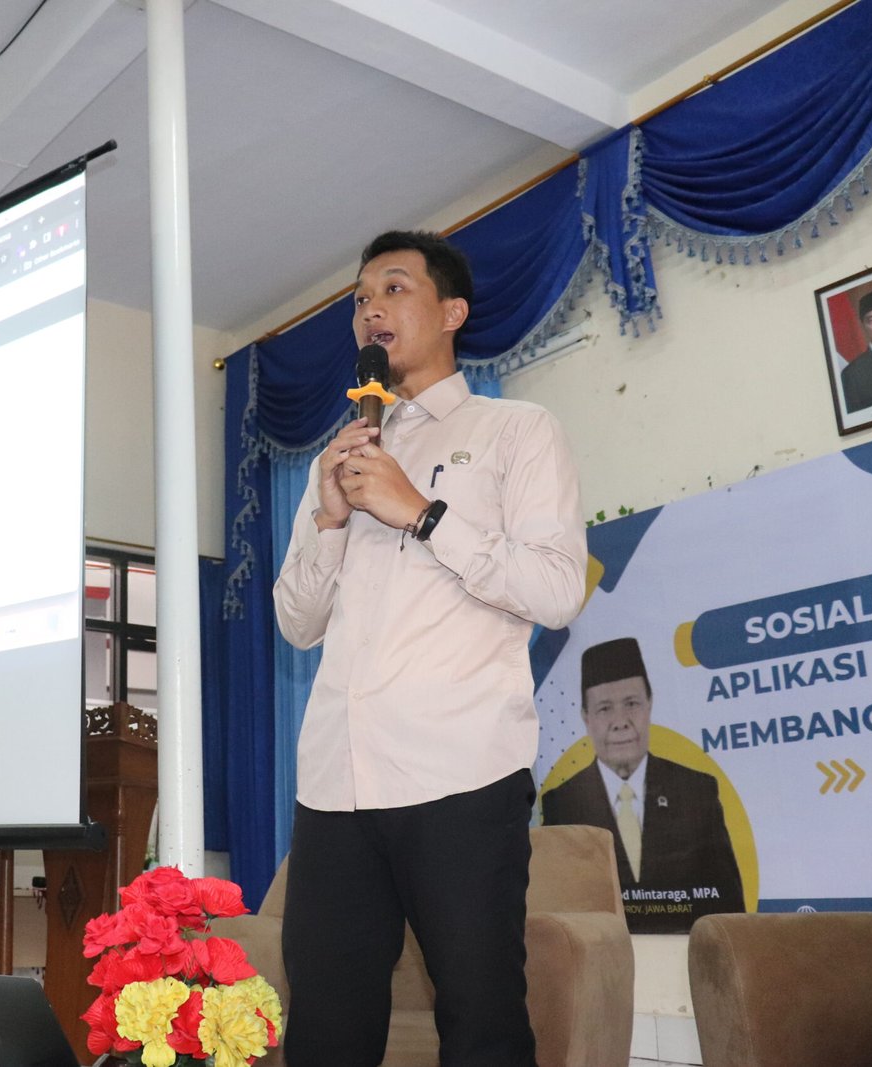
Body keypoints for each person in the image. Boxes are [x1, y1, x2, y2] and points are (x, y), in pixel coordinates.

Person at [273, 230, 587, 1067]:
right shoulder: (340, 457)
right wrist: (331, 518)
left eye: (394, 288)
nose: (370, 308)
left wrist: (420, 511)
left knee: (482, 1026)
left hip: (460, 775)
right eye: (360, 298)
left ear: (452, 312)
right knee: (324, 1032)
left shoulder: (517, 430)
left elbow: (558, 588)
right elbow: (297, 623)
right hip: (335, 783)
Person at [541, 637, 744, 933]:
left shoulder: (696, 791)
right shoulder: (562, 803)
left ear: (649, 704)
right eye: (604, 709)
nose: (620, 722)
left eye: (631, 704)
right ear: (586, 718)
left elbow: (730, 913)